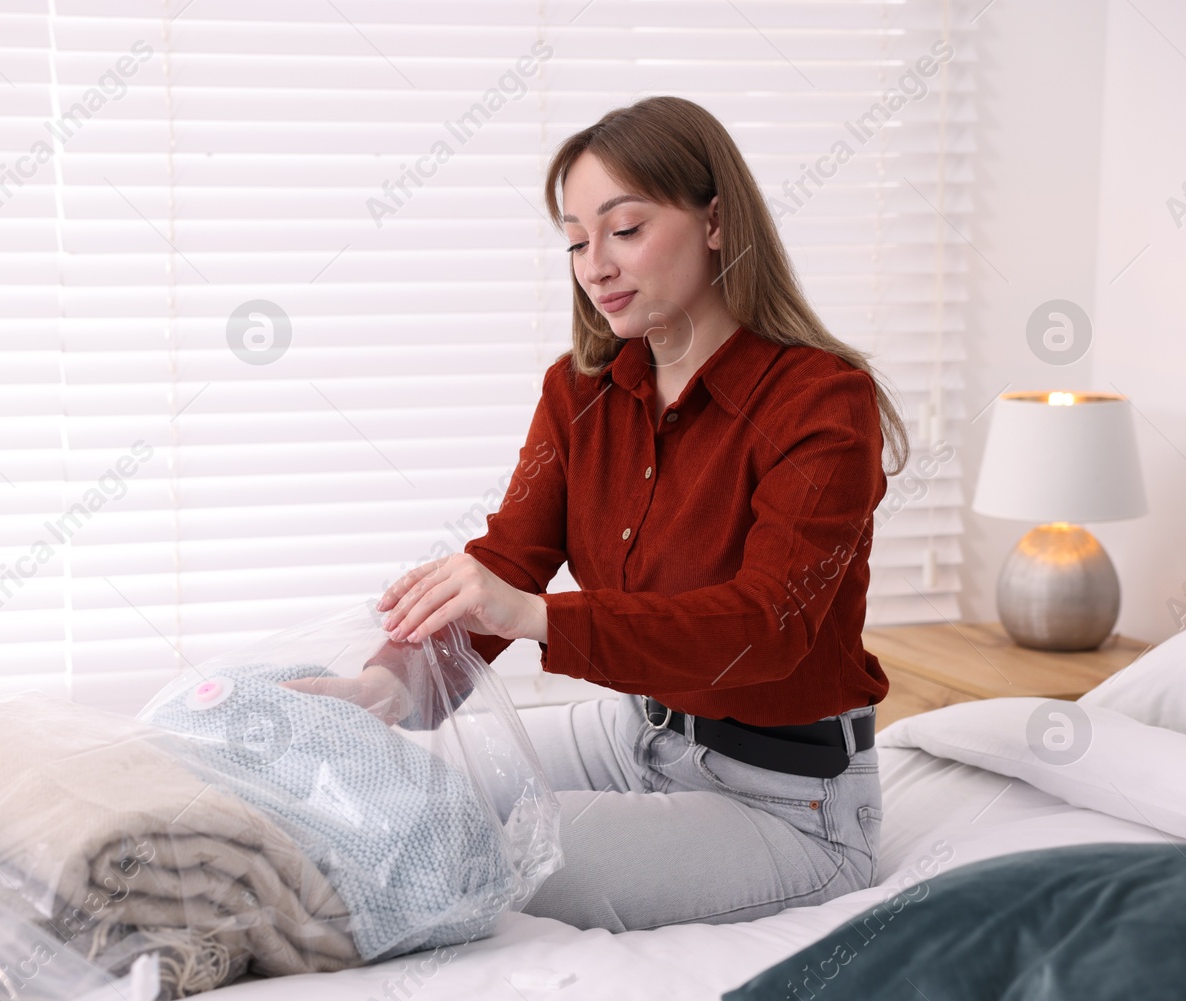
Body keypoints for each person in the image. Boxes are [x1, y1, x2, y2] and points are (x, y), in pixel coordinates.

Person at [293, 96, 907, 933]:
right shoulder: (579, 389)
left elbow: (768, 627)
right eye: (578, 240)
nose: (596, 265)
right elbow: (508, 559)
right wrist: (390, 685)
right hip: (634, 739)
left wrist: (540, 618)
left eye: (624, 229)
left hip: (789, 805)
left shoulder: (822, 403)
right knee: (376, 801)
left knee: (459, 858)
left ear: (717, 221)